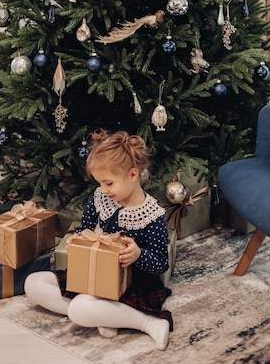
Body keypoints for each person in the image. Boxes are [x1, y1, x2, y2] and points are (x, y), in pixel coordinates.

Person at [25, 130, 173, 351]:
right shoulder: (100, 198)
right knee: (33, 283)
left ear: (133, 175)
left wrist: (138, 255)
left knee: (78, 308)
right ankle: (103, 316)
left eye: (109, 183)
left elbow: (161, 262)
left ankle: (149, 323)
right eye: (100, 183)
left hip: (131, 283)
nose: (103, 190)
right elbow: (85, 228)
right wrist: (79, 238)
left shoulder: (151, 214)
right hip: (94, 274)